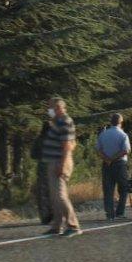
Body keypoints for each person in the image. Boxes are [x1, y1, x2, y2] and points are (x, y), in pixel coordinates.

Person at [40, 98, 81, 237]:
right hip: (53, 161)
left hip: (60, 161)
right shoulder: (56, 122)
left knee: (60, 195)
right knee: (54, 196)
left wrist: (62, 164)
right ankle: (57, 225)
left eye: (50, 107)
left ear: (58, 107)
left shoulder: (65, 121)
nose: (48, 110)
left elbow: (68, 145)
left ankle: (73, 225)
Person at [96, 113, 131, 221]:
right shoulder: (123, 135)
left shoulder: (103, 134)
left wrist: (107, 159)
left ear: (111, 122)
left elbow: (98, 149)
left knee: (108, 189)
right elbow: (126, 150)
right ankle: (120, 212)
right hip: (120, 164)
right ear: (121, 122)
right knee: (124, 188)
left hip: (106, 164)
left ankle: (109, 214)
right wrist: (113, 158)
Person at [29, 117, 53, 225]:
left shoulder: (39, 139)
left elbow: (32, 154)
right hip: (54, 166)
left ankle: (44, 216)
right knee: (54, 191)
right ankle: (55, 214)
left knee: (42, 193)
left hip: (42, 167)